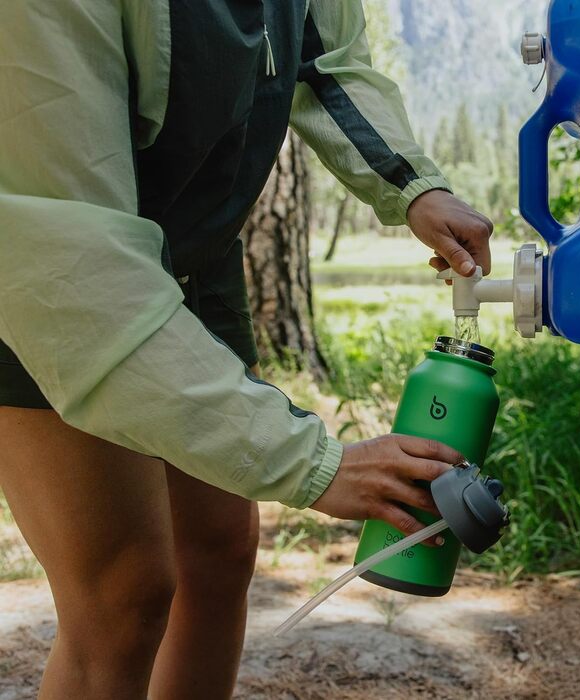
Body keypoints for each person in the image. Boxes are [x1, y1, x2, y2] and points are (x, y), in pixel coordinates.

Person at [0, 1, 493, 697]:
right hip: (40, 270)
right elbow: (70, 264)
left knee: (220, 552)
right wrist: (317, 465)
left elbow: (324, 54)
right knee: (120, 596)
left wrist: (414, 186)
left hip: (192, 251)